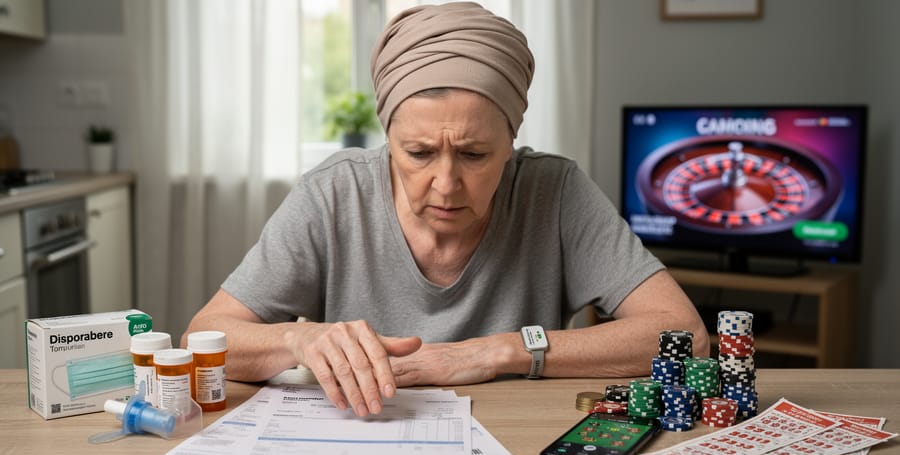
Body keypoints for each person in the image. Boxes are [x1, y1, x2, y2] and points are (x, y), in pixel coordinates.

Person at [183, 2, 708, 418]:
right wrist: (300, 338)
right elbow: (205, 337)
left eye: (475, 155)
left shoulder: (556, 189)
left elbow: (685, 334)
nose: (446, 183)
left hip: (520, 451)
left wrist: (493, 352)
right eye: (417, 153)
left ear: (512, 140)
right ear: (388, 139)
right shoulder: (331, 194)